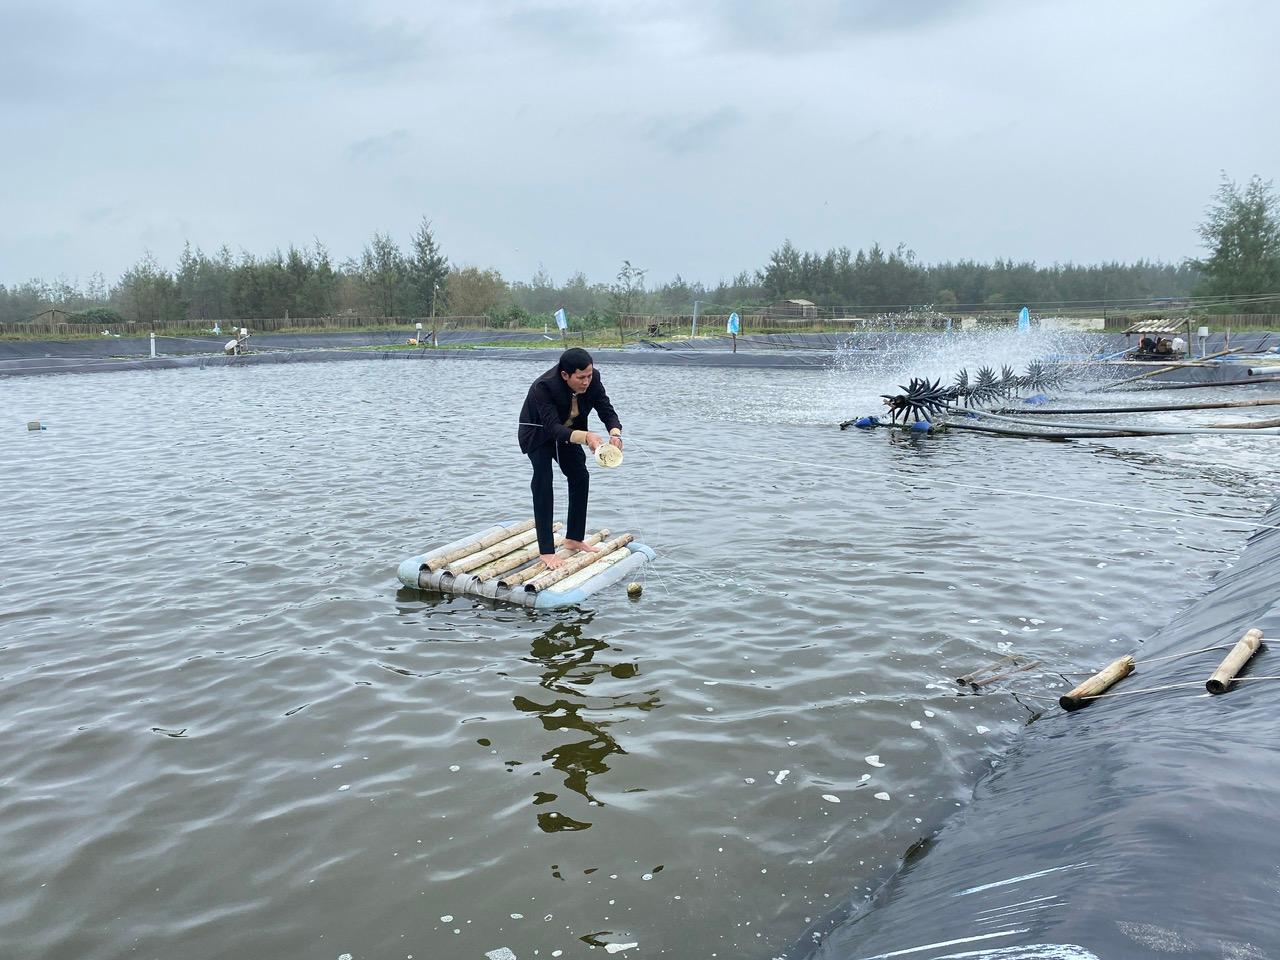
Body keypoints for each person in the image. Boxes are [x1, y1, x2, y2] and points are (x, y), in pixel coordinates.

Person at [518, 348, 623, 570]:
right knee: (543, 480)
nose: (586, 382)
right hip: (538, 433)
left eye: (589, 376)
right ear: (565, 375)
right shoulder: (544, 386)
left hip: (572, 431)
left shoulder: (593, 380)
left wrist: (615, 433)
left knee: (580, 476)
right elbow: (553, 428)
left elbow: (606, 409)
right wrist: (587, 437)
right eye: (581, 377)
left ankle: (574, 538)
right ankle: (547, 551)